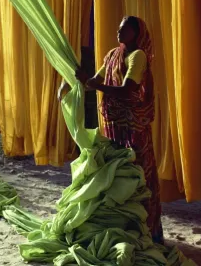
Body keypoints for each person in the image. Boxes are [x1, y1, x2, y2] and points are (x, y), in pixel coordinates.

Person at [58, 16, 164, 244]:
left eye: (124, 29)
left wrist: (94, 84)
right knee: (118, 177)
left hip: (133, 128)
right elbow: (92, 81)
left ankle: (148, 232)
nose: (118, 32)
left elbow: (128, 89)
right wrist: (73, 81)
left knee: (138, 176)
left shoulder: (138, 56)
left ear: (135, 33)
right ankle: (125, 231)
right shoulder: (112, 55)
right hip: (114, 126)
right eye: (118, 27)